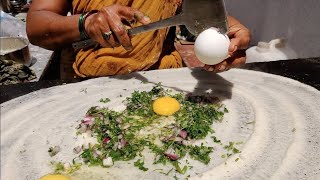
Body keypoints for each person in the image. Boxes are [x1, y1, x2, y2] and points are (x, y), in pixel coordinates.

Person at [26, 0, 251, 78]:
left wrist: (227, 30)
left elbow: (197, 10)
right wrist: (86, 23)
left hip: (161, 79)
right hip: (88, 81)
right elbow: (36, 26)